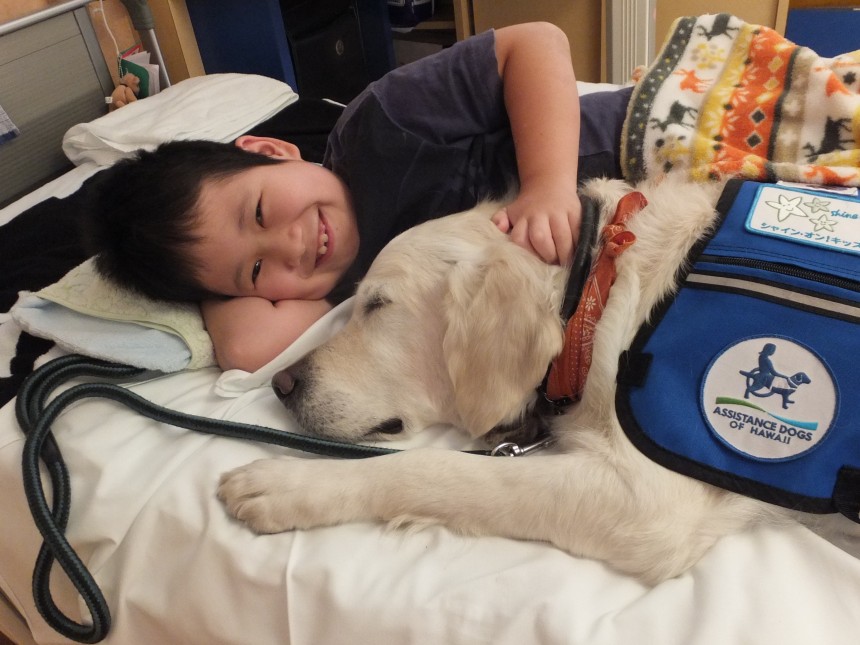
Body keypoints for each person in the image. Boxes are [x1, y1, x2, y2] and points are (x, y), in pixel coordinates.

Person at [84, 22, 633, 372]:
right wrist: (206, 277)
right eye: (256, 270)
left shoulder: (380, 123)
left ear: (272, 151)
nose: (291, 246)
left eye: (260, 213)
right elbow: (247, 349)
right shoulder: (352, 285)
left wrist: (546, 185)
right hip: (632, 238)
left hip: (636, 140)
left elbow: (535, 42)